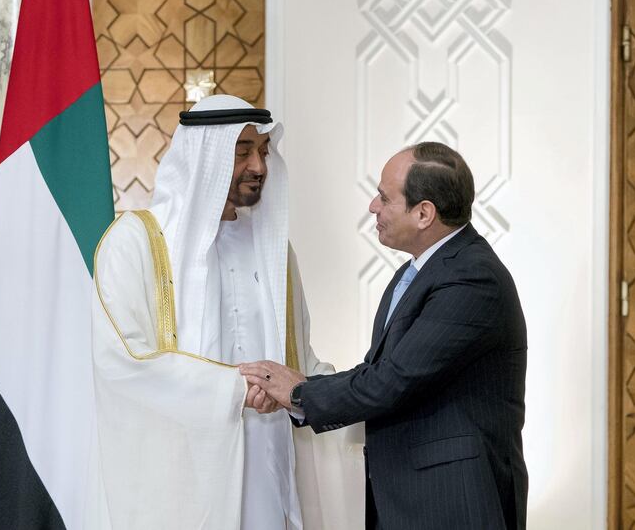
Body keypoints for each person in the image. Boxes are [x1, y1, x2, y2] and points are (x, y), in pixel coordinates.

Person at [90, 94, 362, 529]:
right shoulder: (136, 243)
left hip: (269, 471)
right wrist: (238, 389)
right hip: (181, 479)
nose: (259, 167)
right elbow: (124, 363)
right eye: (242, 153)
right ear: (206, 158)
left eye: (263, 152)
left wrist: (365, 393)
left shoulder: (275, 252)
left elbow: (301, 363)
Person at [241, 142, 528, 530]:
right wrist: (297, 394)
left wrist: (298, 393)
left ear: (424, 213)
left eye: (383, 197)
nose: (373, 208)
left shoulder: (472, 278)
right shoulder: (418, 273)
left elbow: (394, 380)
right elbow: (381, 371)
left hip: (453, 500)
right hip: (408, 498)